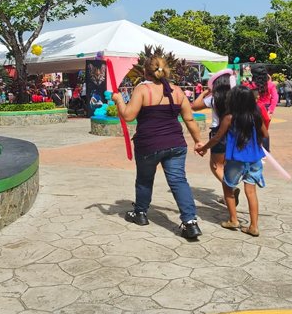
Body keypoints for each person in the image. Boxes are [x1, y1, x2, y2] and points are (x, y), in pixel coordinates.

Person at [111, 55, 205, 240]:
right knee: (179, 181)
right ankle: (190, 223)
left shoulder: (142, 90)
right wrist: (198, 141)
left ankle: (141, 214)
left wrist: (119, 100)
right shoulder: (178, 91)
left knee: (145, 180)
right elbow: (189, 119)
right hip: (176, 144)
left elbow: (128, 116)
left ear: (145, 71)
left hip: (149, 144)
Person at [196, 85, 268, 237]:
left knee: (228, 187)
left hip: (236, 158)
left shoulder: (229, 117)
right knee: (251, 191)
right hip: (254, 158)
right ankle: (253, 226)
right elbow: (265, 133)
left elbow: (217, 137)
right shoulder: (256, 116)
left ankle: (233, 220)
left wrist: (204, 148)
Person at [192, 73, 238, 214]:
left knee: (215, 166)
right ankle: (228, 193)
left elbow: (194, 106)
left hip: (218, 134)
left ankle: (231, 189)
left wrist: (205, 92)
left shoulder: (213, 99)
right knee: (227, 165)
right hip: (235, 133)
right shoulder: (236, 98)